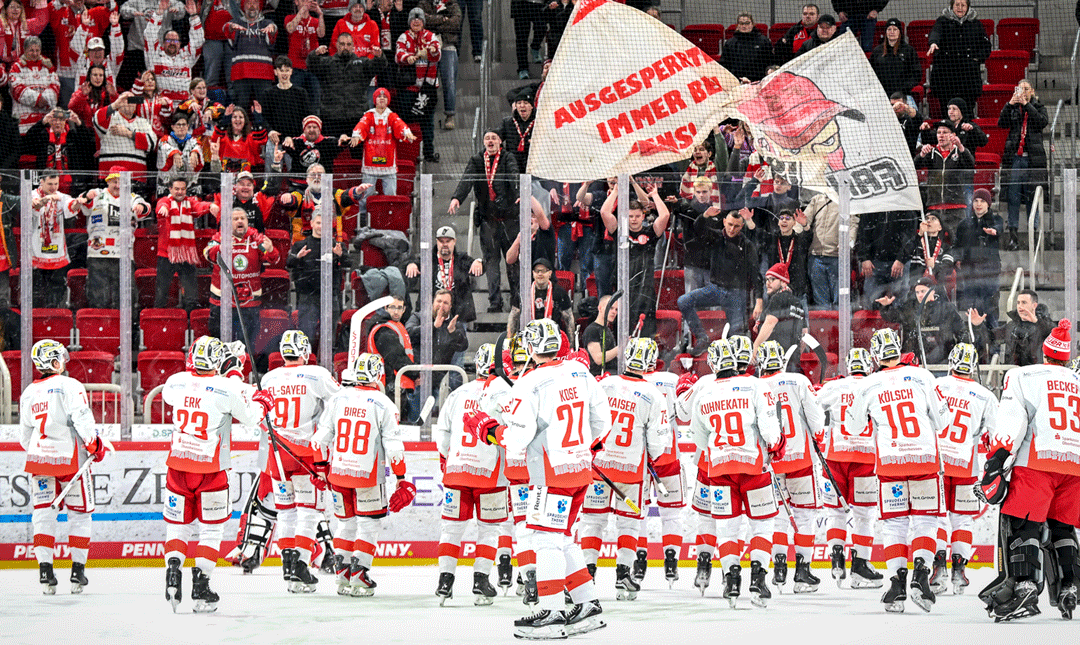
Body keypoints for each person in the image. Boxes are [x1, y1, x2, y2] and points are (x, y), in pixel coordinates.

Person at [464, 318, 609, 638]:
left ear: (531, 347)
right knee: (565, 539)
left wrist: (487, 430)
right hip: (580, 471)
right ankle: (587, 603)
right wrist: (583, 449)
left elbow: (516, 439)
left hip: (550, 475)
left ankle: (553, 612)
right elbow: (602, 422)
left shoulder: (531, 381)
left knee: (545, 541)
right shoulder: (581, 373)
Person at [160, 336, 271, 612]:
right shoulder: (226, 388)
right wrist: (262, 402)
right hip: (211, 470)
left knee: (178, 527)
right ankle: (201, 586)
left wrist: (229, 372)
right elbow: (250, 416)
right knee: (211, 530)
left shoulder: (174, 382)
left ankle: (173, 570)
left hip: (178, 466)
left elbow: (197, 385)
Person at [978, 320, 1080, 621]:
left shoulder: (1023, 375)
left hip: (1037, 462)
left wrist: (996, 461)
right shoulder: (1077, 380)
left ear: (1044, 354)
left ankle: (1024, 587)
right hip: (1075, 465)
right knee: (1063, 527)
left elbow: (1012, 422)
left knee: (1024, 524)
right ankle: (1069, 586)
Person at [847, 328, 951, 613]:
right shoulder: (923, 376)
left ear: (875, 355)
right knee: (926, 520)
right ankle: (921, 574)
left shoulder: (867, 385)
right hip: (924, 459)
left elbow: (853, 427)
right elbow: (945, 422)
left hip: (891, 462)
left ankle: (897, 584)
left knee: (895, 524)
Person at [685, 339, 784, 608]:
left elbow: (699, 437)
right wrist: (776, 445)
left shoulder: (705, 392)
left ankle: (731, 579)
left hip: (719, 469)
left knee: (727, 528)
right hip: (754, 467)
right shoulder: (755, 385)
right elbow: (770, 429)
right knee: (761, 524)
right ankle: (758, 579)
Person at [314, 352, 417, 596]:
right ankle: (359, 572)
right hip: (367, 476)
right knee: (368, 526)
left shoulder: (338, 399)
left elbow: (318, 441)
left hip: (338, 474)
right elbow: (395, 449)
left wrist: (321, 469)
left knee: (345, 525)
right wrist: (401, 480)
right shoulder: (384, 404)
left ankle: (342, 574)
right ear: (378, 374)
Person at [578, 338, 671, 599]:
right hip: (630, 471)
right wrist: (653, 456)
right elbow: (657, 445)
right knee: (628, 523)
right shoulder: (653, 395)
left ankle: (587, 574)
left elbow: (587, 422)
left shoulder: (604, 384)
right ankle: (623, 576)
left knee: (593, 521)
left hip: (598, 468)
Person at [21, 339, 106, 596]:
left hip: (39, 461)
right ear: (53, 361)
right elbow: (82, 417)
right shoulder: (69, 384)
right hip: (71, 462)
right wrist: (94, 445)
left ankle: (45, 571)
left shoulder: (28, 392)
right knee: (80, 516)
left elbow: (25, 436)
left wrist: (41, 453)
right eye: (60, 358)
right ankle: (77, 571)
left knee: (43, 516)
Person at [261, 329, 341, 592]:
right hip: (307, 453)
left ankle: (287, 565)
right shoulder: (315, 373)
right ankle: (301, 565)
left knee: (285, 512)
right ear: (304, 351)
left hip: (278, 454)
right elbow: (339, 401)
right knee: (309, 511)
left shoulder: (269, 378)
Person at [432, 344, 508, 605]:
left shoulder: (458, 393)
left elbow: (442, 433)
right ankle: (481, 581)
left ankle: (444, 582)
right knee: (489, 529)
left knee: (451, 529)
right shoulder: (506, 392)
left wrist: (447, 459)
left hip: (456, 472)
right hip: (491, 475)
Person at [756, 340, 825, 592]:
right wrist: (819, 438)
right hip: (801, 461)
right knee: (805, 516)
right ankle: (802, 572)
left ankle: (779, 567)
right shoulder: (799, 381)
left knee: (779, 517)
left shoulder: (757, 386)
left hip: (772, 462)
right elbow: (816, 419)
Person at [929, 343, 995, 596]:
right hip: (966, 464)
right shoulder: (984, 395)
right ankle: (959, 570)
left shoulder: (936, 385)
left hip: (938, 463)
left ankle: (938, 568)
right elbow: (996, 432)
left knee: (937, 517)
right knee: (962, 519)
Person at [814, 348, 884, 589]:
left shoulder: (834, 387)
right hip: (866, 459)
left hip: (835, 458)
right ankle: (861, 565)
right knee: (864, 515)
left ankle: (836, 558)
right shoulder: (876, 385)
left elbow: (811, 409)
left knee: (835, 513)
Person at [449, 130, 520, 313]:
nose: (490, 141)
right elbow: (467, 179)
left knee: (512, 262)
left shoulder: (507, 158)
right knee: (491, 262)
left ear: (500, 142)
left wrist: (519, 194)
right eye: (487, 138)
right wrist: (457, 197)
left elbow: (514, 176)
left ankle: (516, 300)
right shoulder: (476, 160)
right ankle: (494, 301)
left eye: (494, 138)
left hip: (509, 220)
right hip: (488, 221)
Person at [678, 209, 762, 355]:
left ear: (742, 226)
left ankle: (737, 365)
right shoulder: (716, 237)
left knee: (737, 337)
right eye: (729, 224)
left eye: (736, 226)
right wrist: (704, 215)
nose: (731, 229)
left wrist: (759, 300)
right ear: (724, 222)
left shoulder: (747, 245)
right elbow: (697, 228)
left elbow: (756, 274)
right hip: (715, 289)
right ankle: (702, 338)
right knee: (683, 301)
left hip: (737, 293)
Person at [598, 183, 670, 339]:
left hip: (645, 291)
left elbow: (664, 216)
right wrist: (616, 191)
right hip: (623, 290)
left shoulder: (650, 233)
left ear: (643, 216)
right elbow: (604, 212)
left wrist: (655, 196)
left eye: (637, 216)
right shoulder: (619, 232)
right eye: (630, 216)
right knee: (622, 334)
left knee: (646, 334)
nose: (634, 219)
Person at [203, 206, 279, 347]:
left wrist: (271, 250)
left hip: (249, 303)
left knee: (247, 345)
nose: (240, 221)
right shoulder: (220, 237)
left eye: (243, 218)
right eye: (235, 219)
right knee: (219, 344)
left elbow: (272, 258)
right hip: (222, 303)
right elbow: (208, 254)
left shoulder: (256, 238)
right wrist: (222, 247)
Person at [876, 277, 989, 366]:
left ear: (932, 291)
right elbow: (893, 316)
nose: (920, 295)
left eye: (923, 291)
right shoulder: (910, 308)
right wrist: (886, 307)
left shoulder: (946, 309)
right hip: (915, 364)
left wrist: (976, 326)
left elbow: (962, 335)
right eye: (917, 292)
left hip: (942, 363)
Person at [83, 167, 151, 309]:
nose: (118, 185)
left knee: (126, 297)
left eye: (121, 182)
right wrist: (87, 196)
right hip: (97, 254)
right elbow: (82, 204)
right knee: (98, 296)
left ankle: (130, 328)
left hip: (123, 254)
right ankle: (99, 329)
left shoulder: (132, 197)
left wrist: (140, 207)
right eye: (114, 181)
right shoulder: (98, 194)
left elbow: (146, 208)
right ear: (108, 181)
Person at [344, 86, 417, 216]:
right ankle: (363, 220)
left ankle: (391, 219)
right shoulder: (369, 115)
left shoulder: (392, 116)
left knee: (391, 197)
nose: (382, 99)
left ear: (388, 100)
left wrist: (407, 133)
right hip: (370, 165)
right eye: (379, 96)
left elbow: (400, 125)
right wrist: (356, 136)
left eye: (385, 97)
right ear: (374, 100)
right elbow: (361, 125)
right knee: (365, 197)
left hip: (388, 165)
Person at [306, 31, 387, 139]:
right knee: (330, 155)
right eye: (342, 44)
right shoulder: (327, 63)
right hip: (331, 118)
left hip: (357, 117)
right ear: (337, 45)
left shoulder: (362, 63)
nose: (345, 47)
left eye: (349, 44)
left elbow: (379, 66)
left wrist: (379, 56)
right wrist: (315, 54)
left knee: (358, 155)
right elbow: (311, 65)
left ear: (353, 46)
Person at [997, 79, 1047, 251]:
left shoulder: (1038, 107)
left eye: (1026, 89)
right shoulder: (1013, 109)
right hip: (1015, 160)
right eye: (1020, 89)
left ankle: (1034, 234)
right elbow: (1001, 123)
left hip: (1032, 160)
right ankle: (1013, 237)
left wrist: (1026, 105)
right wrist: (1009, 104)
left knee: (1032, 197)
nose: (1023, 92)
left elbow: (1041, 122)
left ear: (1032, 91)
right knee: (1013, 198)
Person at [155, 177, 215, 310]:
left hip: (186, 254)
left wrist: (210, 206)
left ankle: (189, 323)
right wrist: (164, 208)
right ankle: (158, 321)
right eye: (176, 189)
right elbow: (161, 205)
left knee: (191, 294)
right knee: (161, 293)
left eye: (183, 189)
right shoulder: (165, 201)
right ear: (170, 189)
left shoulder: (190, 202)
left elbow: (199, 207)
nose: (180, 192)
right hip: (166, 254)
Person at [287, 212, 347, 345]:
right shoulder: (300, 245)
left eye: (324, 223)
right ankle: (307, 362)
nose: (321, 226)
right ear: (312, 223)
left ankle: (328, 364)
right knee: (306, 336)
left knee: (329, 338)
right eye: (318, 223)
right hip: (307, 296)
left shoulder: (337, 246)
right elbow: (289, 263)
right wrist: (298, 257)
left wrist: (341, 255)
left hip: (331, 296)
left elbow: (348, 264)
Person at [926, 0, 990, 119]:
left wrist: (976, 59)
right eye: (957, 5)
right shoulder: (942, 21)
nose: (960, 8)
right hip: (945, 79)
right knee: (947, 114)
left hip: (968, 79)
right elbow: (935, 33)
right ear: (952, 6)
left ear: (968, 7)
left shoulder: (976, 24)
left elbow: (986, 47)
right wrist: (933, 43)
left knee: (966, 116)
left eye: (963, 5)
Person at [30, 171, 84, 308]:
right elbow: (34, 206)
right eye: (50, 184)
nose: (54, 187)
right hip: (35, 251)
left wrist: (78, 203)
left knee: (56, 290)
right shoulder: (32, 195)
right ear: (41, 182)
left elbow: (71, 206)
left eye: (56, 184)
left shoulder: (61, 197)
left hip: (57, 252)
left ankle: (54, 316)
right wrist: (43, 201)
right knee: (36, 291)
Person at [396, 7, 441, 162]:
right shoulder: (403, 37)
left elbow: (437, 54)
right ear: (409, 22)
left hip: (427, 89)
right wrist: (408, 57)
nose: (416, 22)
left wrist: (431, 49)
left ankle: (428, 153)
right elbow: (398, 55)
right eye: (413, 19)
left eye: (419, 19)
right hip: (409, 89)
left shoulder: (430, 36)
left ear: (423, 22)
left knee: (427, 122)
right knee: (405, 121)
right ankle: (408, 153)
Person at [914, 121, 973, 239]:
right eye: (938, 132)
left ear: (953, 135)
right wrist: (921, 154)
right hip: (934, 207)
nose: (941, 135)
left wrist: (961, 147)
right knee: (935, 242)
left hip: (956, 207)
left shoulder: (960, 152)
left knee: (957, 241)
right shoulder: (931, 153)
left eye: (945, 132)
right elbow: (915, 166)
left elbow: (970, 165)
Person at [955, 188, 1003, 330]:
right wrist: (958, 259)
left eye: (982, 201)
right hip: (970, 273)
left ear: (988, 204)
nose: (978, 204)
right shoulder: (964, 224)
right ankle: (975, 344)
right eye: (976, 200)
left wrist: (993, 231)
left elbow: (998, 227)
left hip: (989, 273)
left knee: (991, 310)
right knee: (972, 310)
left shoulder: (996, 220)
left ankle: (993, 347)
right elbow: (957, 245)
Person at [801, 192, 858, 309]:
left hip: (837, 257)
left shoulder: (848, 200)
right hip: (816, 256)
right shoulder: (817, 199)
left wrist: (848, 243)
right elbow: (803, 221)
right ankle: (826, 326)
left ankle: (841, 326)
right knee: (820, 300)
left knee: (840, 299)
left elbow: (853, 225)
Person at [405, 288, 469, 390]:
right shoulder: (418, 317)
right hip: (416, 378)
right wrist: (432, 327)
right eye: (439, 301)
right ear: (433, 302)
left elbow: (463, 346)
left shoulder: (454, 324)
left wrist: (453, 332)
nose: (441, 305)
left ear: (450, 306)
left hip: (439, 382)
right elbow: (408, 333)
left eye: (445, 303)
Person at [855, 208, 919, 310]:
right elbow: (862, 233)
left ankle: (898, 325)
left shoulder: (906, 208)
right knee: (872, 302)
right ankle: (873, 324)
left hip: (897, 262)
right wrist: (864, 258)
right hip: (875, 262)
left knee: (899, 304)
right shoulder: (872, 206)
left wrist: (901, 259)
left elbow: (911, 236)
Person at [93, 91, 159, 187]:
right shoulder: (110, 118)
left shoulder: (143, 122)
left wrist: (129, 134)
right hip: (109, 175)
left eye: (132, 100)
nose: (129, 103)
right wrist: (115, 104)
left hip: (136, 176)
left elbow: (152, 143)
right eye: (125, 100)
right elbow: (97, 120)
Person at [145, 0, 204, 104]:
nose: (172, 43)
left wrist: (194, 16)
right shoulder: (155, 54)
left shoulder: (186, 55)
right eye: (168, 40)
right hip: (160, 105)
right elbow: (149, 35)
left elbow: (198, 40)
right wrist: (159, 13)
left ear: (180, 44)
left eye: (175, 40)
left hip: (184, 106)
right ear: (163, 43)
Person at [417, 0, 462, 131]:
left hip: (448, 45)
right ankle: (423, 112)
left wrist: (435, 23)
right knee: (426, 81)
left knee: (449, 82)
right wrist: (443, 19)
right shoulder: (423, 3)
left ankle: (450, 115)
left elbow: (456, 23)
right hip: (428, 46)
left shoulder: (452, 4)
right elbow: (422, 21)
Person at [366, 295, 417, 410]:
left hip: (397, 385)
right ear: (386, 308)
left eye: (399, 308)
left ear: (404, 310)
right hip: (391, 386)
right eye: (393, 307)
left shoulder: (394, 326)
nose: (396, 311)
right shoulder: (384, 329)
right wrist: (416, 374)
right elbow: (397, 358)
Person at [226, 0, 278, 111]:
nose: (252, 6)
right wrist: (231, 28)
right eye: (248, 3)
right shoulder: (236, 22)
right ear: (243, 7)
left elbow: (273, 31)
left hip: (263, 73)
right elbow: (226, 29)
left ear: (259, 6)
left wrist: (272, 29)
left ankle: (264, 128)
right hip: (241, 73)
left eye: (255, 3)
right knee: (240, 107)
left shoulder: (267, 23)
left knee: (265, 107)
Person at [752, 264, 807, 365]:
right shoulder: (797, 302)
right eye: (766, 280)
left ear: (784, 282)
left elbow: (770, 323)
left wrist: (755, 347)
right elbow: (804, 334)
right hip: (792, 362)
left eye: (772, 279)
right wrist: (793, 355)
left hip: (773, 362)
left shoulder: (778, 298)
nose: (768, 283)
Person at [509, 257, 573, 337]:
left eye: (543, 271)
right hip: (528, 336)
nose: (540, 274)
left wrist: (571, 345)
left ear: (550, 273)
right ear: (533, 273)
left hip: (552, 336)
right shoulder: (524, 292)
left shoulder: (559, 292)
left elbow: (569, 319)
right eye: (537, 271)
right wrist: (509, 340)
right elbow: (514, 316)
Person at [10, 35, 59, 133]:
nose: (35, 53)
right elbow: (17, 91)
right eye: (31, 50)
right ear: (24, 50)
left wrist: (44, 100)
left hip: (45, 125)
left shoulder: (48, 67)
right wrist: (38, 100)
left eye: (37, 50)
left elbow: (55, 90)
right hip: (23, 125)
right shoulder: (16, 67)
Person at [282, 0, 326, 109]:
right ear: (296, 2)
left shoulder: (315, 21)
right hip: (295, 68)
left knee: (315, 102)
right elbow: (290, 28)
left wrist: (320, 14)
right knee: (294, 102)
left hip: (312, 68)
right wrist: (302, 12)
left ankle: (313, 124)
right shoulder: (289, 18)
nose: (307, 2)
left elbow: (321, 34)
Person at [261, 56, 313, 144]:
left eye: (287, 70)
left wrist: (300, 137)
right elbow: (264, 117)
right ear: (275, 72)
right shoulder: (268, 93)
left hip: (296, 141)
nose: (284, 74)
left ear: (291, 71)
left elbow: (307, 117)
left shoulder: (301, 93)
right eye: (281, 70)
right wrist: (270, 131)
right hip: (275, 141)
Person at [1003, 289, 1057, 367]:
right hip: (1015, 373)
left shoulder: (1044, 324)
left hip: (1036, 373)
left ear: (1034, 305)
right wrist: (979, 325)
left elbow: (1056, 334)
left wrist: (1036, 321)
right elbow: (992, 337)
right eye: (1018, 303)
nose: (1020, 306)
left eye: (1024, 302)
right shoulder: (1011, 325)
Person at [870, 18, 921, 100]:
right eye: (889, 29)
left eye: (895, 29)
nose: (892, 32)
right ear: (885, 32)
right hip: (882, 95)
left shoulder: (908, 50)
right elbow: (871, 73)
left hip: (903, 95)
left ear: (899, 32)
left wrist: (904, 88)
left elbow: (916, 74)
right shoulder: (877, 51)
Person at [157, 112, 204, 196]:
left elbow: (198, 147)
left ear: (187, 126)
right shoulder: (165, 140)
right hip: (168, 185)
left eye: (184, 124)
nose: (181, 127)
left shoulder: (194, 141)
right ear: (173, 127)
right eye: (178, 124)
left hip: (189, 185)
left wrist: (194, 153)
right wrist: (174, 153)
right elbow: (164, 147)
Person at [901, 212, 954, 286]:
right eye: (926, 219)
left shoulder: (946, 247)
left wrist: (935, 266)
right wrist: (919, 234)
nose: (928, 221)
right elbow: (905, 254)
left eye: (933, 219)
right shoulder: (917, 242)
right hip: (916, 290)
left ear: (940, 227)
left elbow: (948, 269)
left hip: (937, 290)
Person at [720, 12, 773, 83]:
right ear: (737, 25)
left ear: (753, 24)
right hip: (736, 83)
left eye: (747, 23)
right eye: (741, 23)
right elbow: (724, 65)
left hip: (758, 82)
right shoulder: (730, 43)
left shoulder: (763, 41)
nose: (744, 26)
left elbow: (770, 62)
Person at [499, 86, 536, 171]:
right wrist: (505, 155)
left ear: (531, 106)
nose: (522, 106)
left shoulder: (540, 121)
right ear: (515, 106)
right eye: (519, 103)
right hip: (513, 165)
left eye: (526, 103)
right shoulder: (507, 122)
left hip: (533, 164)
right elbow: (497, 137)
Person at [581, 293, 619, 376]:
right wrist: (620, 348)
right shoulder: (592, 330)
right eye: (610, 308)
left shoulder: (607, 329)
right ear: (600, 308)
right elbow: (598, 359)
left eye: (616, 309)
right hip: (599, 378)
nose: (614, 312)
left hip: (610, 375)